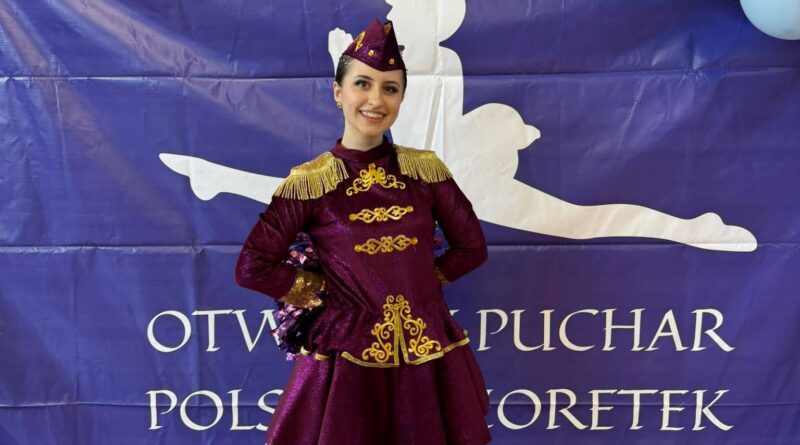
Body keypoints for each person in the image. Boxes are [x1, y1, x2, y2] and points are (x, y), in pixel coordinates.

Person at [235, 18, 491, 445]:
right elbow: (252, 267)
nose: (375, 99)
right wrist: (322, 290)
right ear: (338, 93)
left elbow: (471, 248)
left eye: (390, 88)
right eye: (362, 84)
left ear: (401, 98)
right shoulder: (311, 183)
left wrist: (421, 283)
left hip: (425, 349)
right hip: (346, 356)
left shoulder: (425, 172)